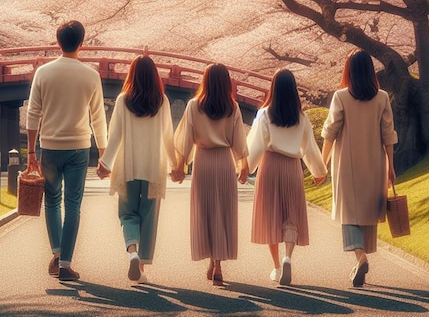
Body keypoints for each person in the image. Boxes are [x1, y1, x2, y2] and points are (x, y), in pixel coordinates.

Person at [26, 20, 108, 281]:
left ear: (58, 42)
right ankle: (65, 264)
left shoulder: (43, 72)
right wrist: (103, 153)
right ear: (81, 43)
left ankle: (57, 253)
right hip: (79, 148)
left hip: (49, 146)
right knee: (73, 204)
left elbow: (33, 114)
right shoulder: (91, 75)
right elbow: (98, 118)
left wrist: (30, 153)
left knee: (52, 201)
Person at [96, 56, 181, 284]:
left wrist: (105, 164)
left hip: (128, 167)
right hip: (153, 168)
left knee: (127, 214)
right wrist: (176, 165)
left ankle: (132, 251)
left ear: (131, 75)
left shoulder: (124, 100)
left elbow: (115, 136)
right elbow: (168, 137)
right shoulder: (161, 101)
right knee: (149, 216)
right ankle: (141, 266)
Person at [321, 49, 398, 287]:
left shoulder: (341, 96)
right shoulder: (382, 97)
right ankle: (362, 258)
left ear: (349, 71)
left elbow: (330, 132)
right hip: (375, 163)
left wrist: (322, 163)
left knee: (348, 213)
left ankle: (360, 256)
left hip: (347, 165)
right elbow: (388, 135)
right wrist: (390, 167)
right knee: (366, 213)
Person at [247, 69, 327, 286]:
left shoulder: (264, 114)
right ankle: (288, 257)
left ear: (273, 88)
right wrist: (319, 172)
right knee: (291, 216)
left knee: (271, 216)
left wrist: (246, 168)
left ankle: (276, 267)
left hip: (271, 165)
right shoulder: (301, 118)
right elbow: (309, 147)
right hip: (293, 168)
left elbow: (256, 145)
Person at [174, 63, 249, 286]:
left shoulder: (194, 105)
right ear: (227, 83)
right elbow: (239, 142)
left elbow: (186, 138)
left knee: (205, 210)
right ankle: (217, 264)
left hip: (203, 161)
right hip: (225, 161)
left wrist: (180, 166)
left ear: (204, 81)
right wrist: (243, 165)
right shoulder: (233, 107)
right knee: (222, 211)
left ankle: (211, 260)